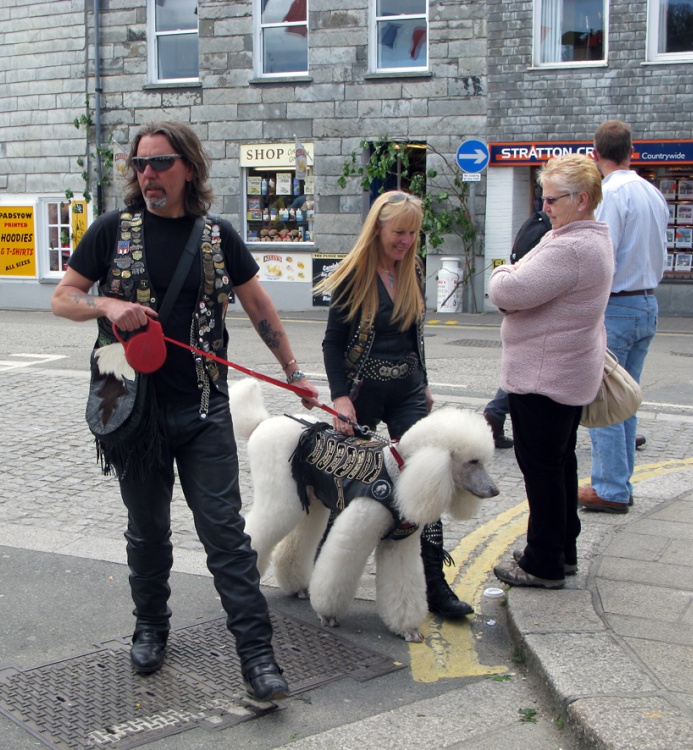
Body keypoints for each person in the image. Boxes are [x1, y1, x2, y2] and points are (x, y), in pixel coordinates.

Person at [51, 120, 319, 702]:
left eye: (161, 163)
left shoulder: (218, 236)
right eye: (140, 164)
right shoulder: (111, 230)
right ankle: (151, 628)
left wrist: (294, 373)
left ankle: (257, 656)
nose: (148, 174)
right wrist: (106, 303)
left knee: (224, 533)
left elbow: (257, 303)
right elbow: (63, 297)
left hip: (202, 406)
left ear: (189, 168)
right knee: (147, 529)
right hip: (130, 409)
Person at [314, 190, 473, 619]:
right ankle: (325, 570)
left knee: (428, 480)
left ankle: (434, 584)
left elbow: (414, 336)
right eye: (399, 232)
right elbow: (332, 343)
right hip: (362, 391)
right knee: (349, 484)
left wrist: (424, 383)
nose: (406, 241)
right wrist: (340, 398)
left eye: (413, 233)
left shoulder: (412, 269)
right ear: (378, 228)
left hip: (407, 389)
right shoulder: (353, 275)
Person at [489, 153, 614, 588]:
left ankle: (543, 562)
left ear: (582, 199)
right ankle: (563, 549)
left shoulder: (569, 247)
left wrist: (505, 269)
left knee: (541, 470)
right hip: (566, 373)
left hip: (544, 376)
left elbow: (508, 289)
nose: (544, 207)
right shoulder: (589, 238)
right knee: (560, 464)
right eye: (543, 198)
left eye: (553, 199)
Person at [579, 120, 669, 514]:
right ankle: (620, 482)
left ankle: (611, 488)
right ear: (632, 151)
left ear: (595, 154)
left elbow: (603, 254)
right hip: (647, 301)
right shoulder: (652, 192)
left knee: (604, 399)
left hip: (616, 306)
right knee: (626, 399)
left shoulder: (611, 194)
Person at [483, 209, 552, 450]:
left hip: (527, 306)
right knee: (531, 371)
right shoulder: (552, 232)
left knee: (525, 369)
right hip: (536, 304)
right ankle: (613, 427)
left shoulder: (537, 222)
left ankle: (494, 414)